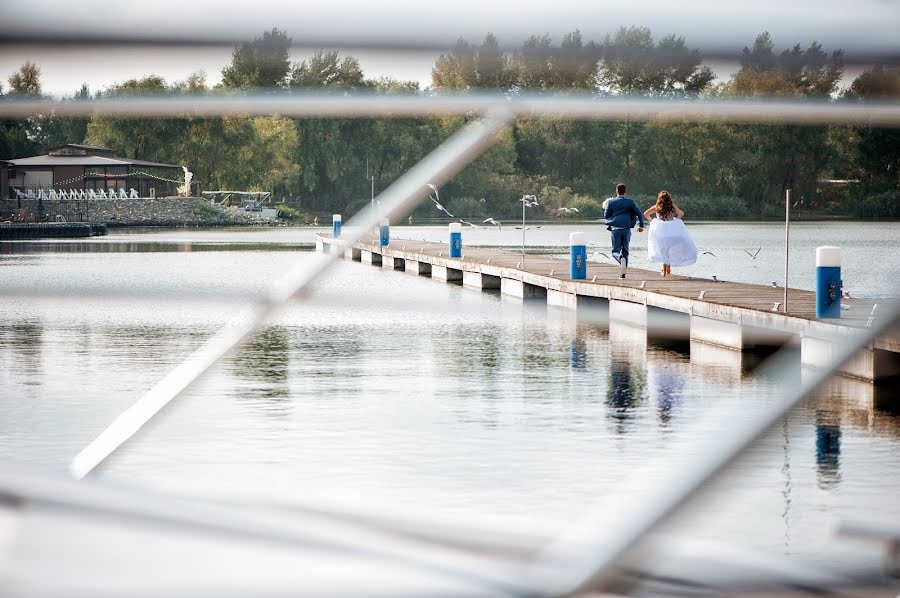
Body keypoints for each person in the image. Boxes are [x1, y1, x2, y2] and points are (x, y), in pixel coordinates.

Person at [643, 190, 697, 277]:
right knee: (668, 250)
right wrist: (675, 220)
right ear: (669, 199)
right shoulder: (672, 207)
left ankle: (664, 270)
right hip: (671, 233)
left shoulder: (656, 207)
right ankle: (667, 266)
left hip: (660, 233)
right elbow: (681, 214)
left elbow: (645, 214)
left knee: (663, 250)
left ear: (659, 199)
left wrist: (652, 221)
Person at [604, 183, 645, 278]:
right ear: (625, 192)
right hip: (626, 229)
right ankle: (623, 274)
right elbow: (639, 213)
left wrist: (606, 207)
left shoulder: (611, 202)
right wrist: (641, 225)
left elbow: (606, 216)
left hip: (615, 229)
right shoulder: (630, 202)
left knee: (615, 251)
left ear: (616, 191)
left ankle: (619, 258)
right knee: (625, 251)